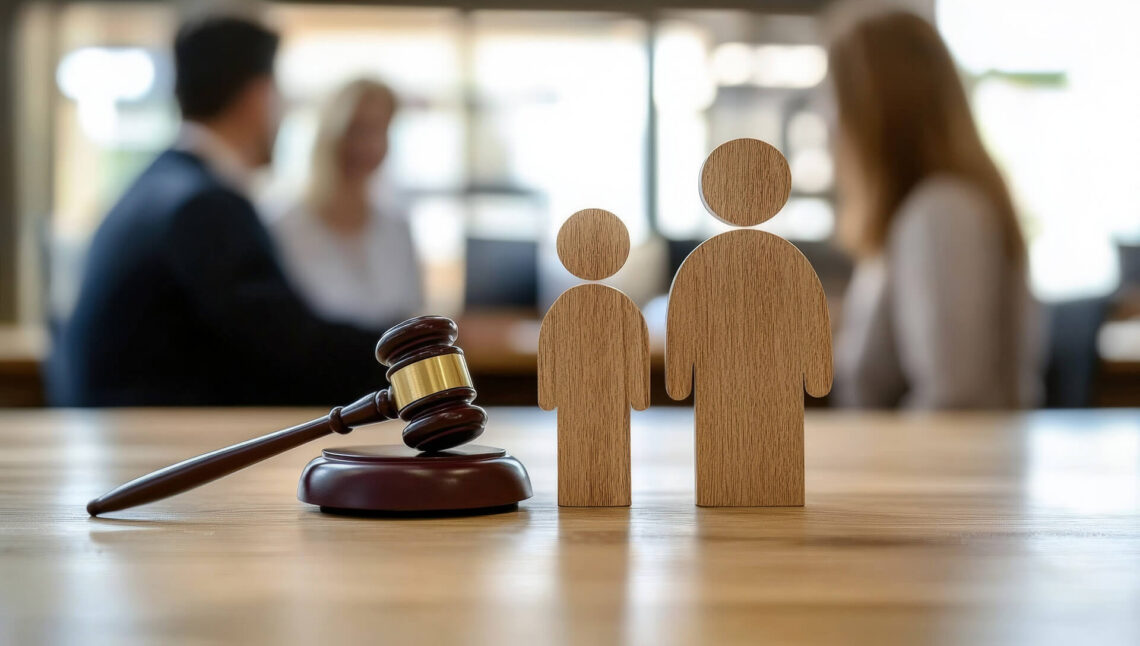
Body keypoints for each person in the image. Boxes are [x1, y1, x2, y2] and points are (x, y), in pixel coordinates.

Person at [51, 16, 390, 406]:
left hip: (131, 435)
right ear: (257, 97)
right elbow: (289, 346)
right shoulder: (202, 206)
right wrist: (410, 353)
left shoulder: (158, 185)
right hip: (162, 449)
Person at [828, 10, 1042, 410]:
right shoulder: (924, 210)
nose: (832, 123)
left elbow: (955, 396)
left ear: (874, 110)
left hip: (940, 468)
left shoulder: (942, 214)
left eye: (839, 102)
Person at [666, 139, 832, 507]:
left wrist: (678, 380)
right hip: (768, 382)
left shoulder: (700, 262)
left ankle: (739, 491)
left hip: (725, 382)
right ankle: (765, 490)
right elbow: (815, 323)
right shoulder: (792, 260)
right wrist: (818, 376)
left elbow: (680, 325)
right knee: (762, 443)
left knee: (735, 447)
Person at [267, 79, 423, 328]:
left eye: (379, 129)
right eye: (357, 129)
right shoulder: (283, 228)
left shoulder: (397, 228)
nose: (368, 145)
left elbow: (410, 314)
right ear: (331, 132)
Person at [538, 209, 649, 507]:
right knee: (588, 444)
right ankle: (593, 492)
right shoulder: (621, 305)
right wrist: (638, 395)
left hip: (588, 395)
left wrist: (548, 395)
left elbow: (549, 349)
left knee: (609, 444)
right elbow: (550, 348)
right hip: (594, 395)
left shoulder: (565, 305)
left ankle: (605, 491)